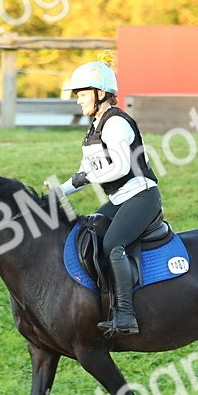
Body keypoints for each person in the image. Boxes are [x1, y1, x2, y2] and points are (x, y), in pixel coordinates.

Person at [55, 53, 161, 336]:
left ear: (101, 93)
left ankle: (126, 314)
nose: (78, 99)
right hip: (119, 199)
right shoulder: (93, 128)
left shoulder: (116, 123)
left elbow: (121, 167)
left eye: (82, 93)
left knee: (113, 244)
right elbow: (84, 172)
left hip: (141, 196)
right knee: (89, 232)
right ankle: (102, 302)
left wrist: (85, 177)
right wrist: (59, 192)